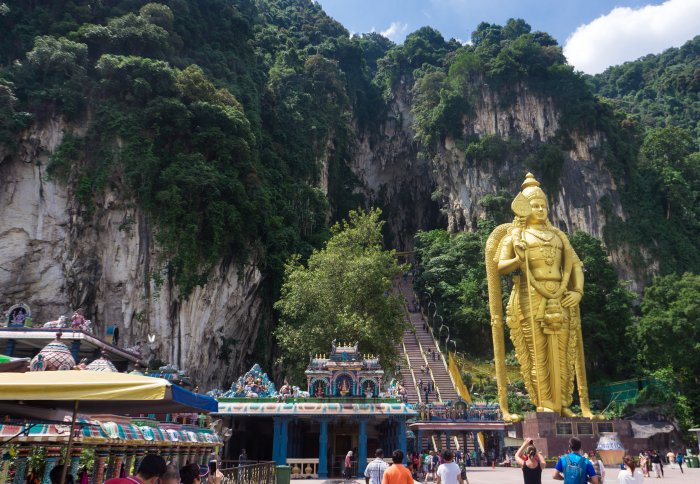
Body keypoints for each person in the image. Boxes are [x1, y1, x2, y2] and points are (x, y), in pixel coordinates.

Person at [488, 173, 593, 419]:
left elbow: (575, 265)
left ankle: (565, 403)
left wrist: (577, 291)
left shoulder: (559, 236)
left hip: (561, 295)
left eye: (544, 205)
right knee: (538, 355)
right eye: (535, 205)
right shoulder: (515, 235)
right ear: (524, 208)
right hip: (529, 296)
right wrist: (518, 258)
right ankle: (544, 402)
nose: (540, 209)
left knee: (565, 351)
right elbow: (500, 266)